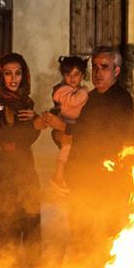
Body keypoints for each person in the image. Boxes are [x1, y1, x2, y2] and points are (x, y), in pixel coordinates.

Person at [0, 53, 61, 263]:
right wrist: (33, 125)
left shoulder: (23, 102)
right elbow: (2, 139)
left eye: (18, 73)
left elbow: (24, 141)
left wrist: (34, 122)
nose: (14, 79)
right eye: (8, 74)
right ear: (0, 76)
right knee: (2, 240)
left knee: (30, 236)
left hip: (24, 177)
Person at [70, 46, 134, 161]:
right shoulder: (89, 98)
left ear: (116, 71)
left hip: (104, 168)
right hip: (80, 168)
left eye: (104, 67)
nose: (98, 73)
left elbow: (109, 139)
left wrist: (66, 129)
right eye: (95, 67)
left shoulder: (121, 100)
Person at [49, 55, 89, 190]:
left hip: (74, 125)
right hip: (65, 123)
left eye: (76, 74)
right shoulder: (63, 90)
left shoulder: (78, 90)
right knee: (66, 150)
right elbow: (74, 101)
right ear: (63, 76)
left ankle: (64, 178)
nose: (72, 79)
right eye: (68, 75)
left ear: (82, 75)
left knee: (70, 153)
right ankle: (58, 177)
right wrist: (84, 92)